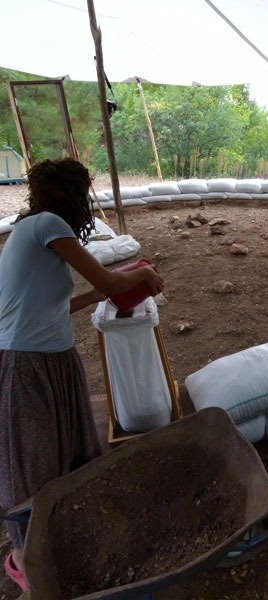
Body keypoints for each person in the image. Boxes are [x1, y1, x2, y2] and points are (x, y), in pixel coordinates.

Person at [0, 158, 164, 592]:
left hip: (53, 357)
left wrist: (117, 285)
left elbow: (62, 304)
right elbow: (108, 283)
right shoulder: (47, 224)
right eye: (84, 194)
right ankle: (26, 564)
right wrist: (142, 273)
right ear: (72, 195)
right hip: (26, 363)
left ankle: (62, 540)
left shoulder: (34, 233)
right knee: (33, 463)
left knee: (68, 451)